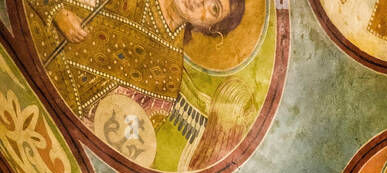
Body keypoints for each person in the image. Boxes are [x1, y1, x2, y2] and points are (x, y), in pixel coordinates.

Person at [27, 0, 245, 130]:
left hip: (49, 123)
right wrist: (56, 11)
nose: (200, 2)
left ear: (210, 28)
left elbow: (127, 136)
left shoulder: (168, 79)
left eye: (214, 8)